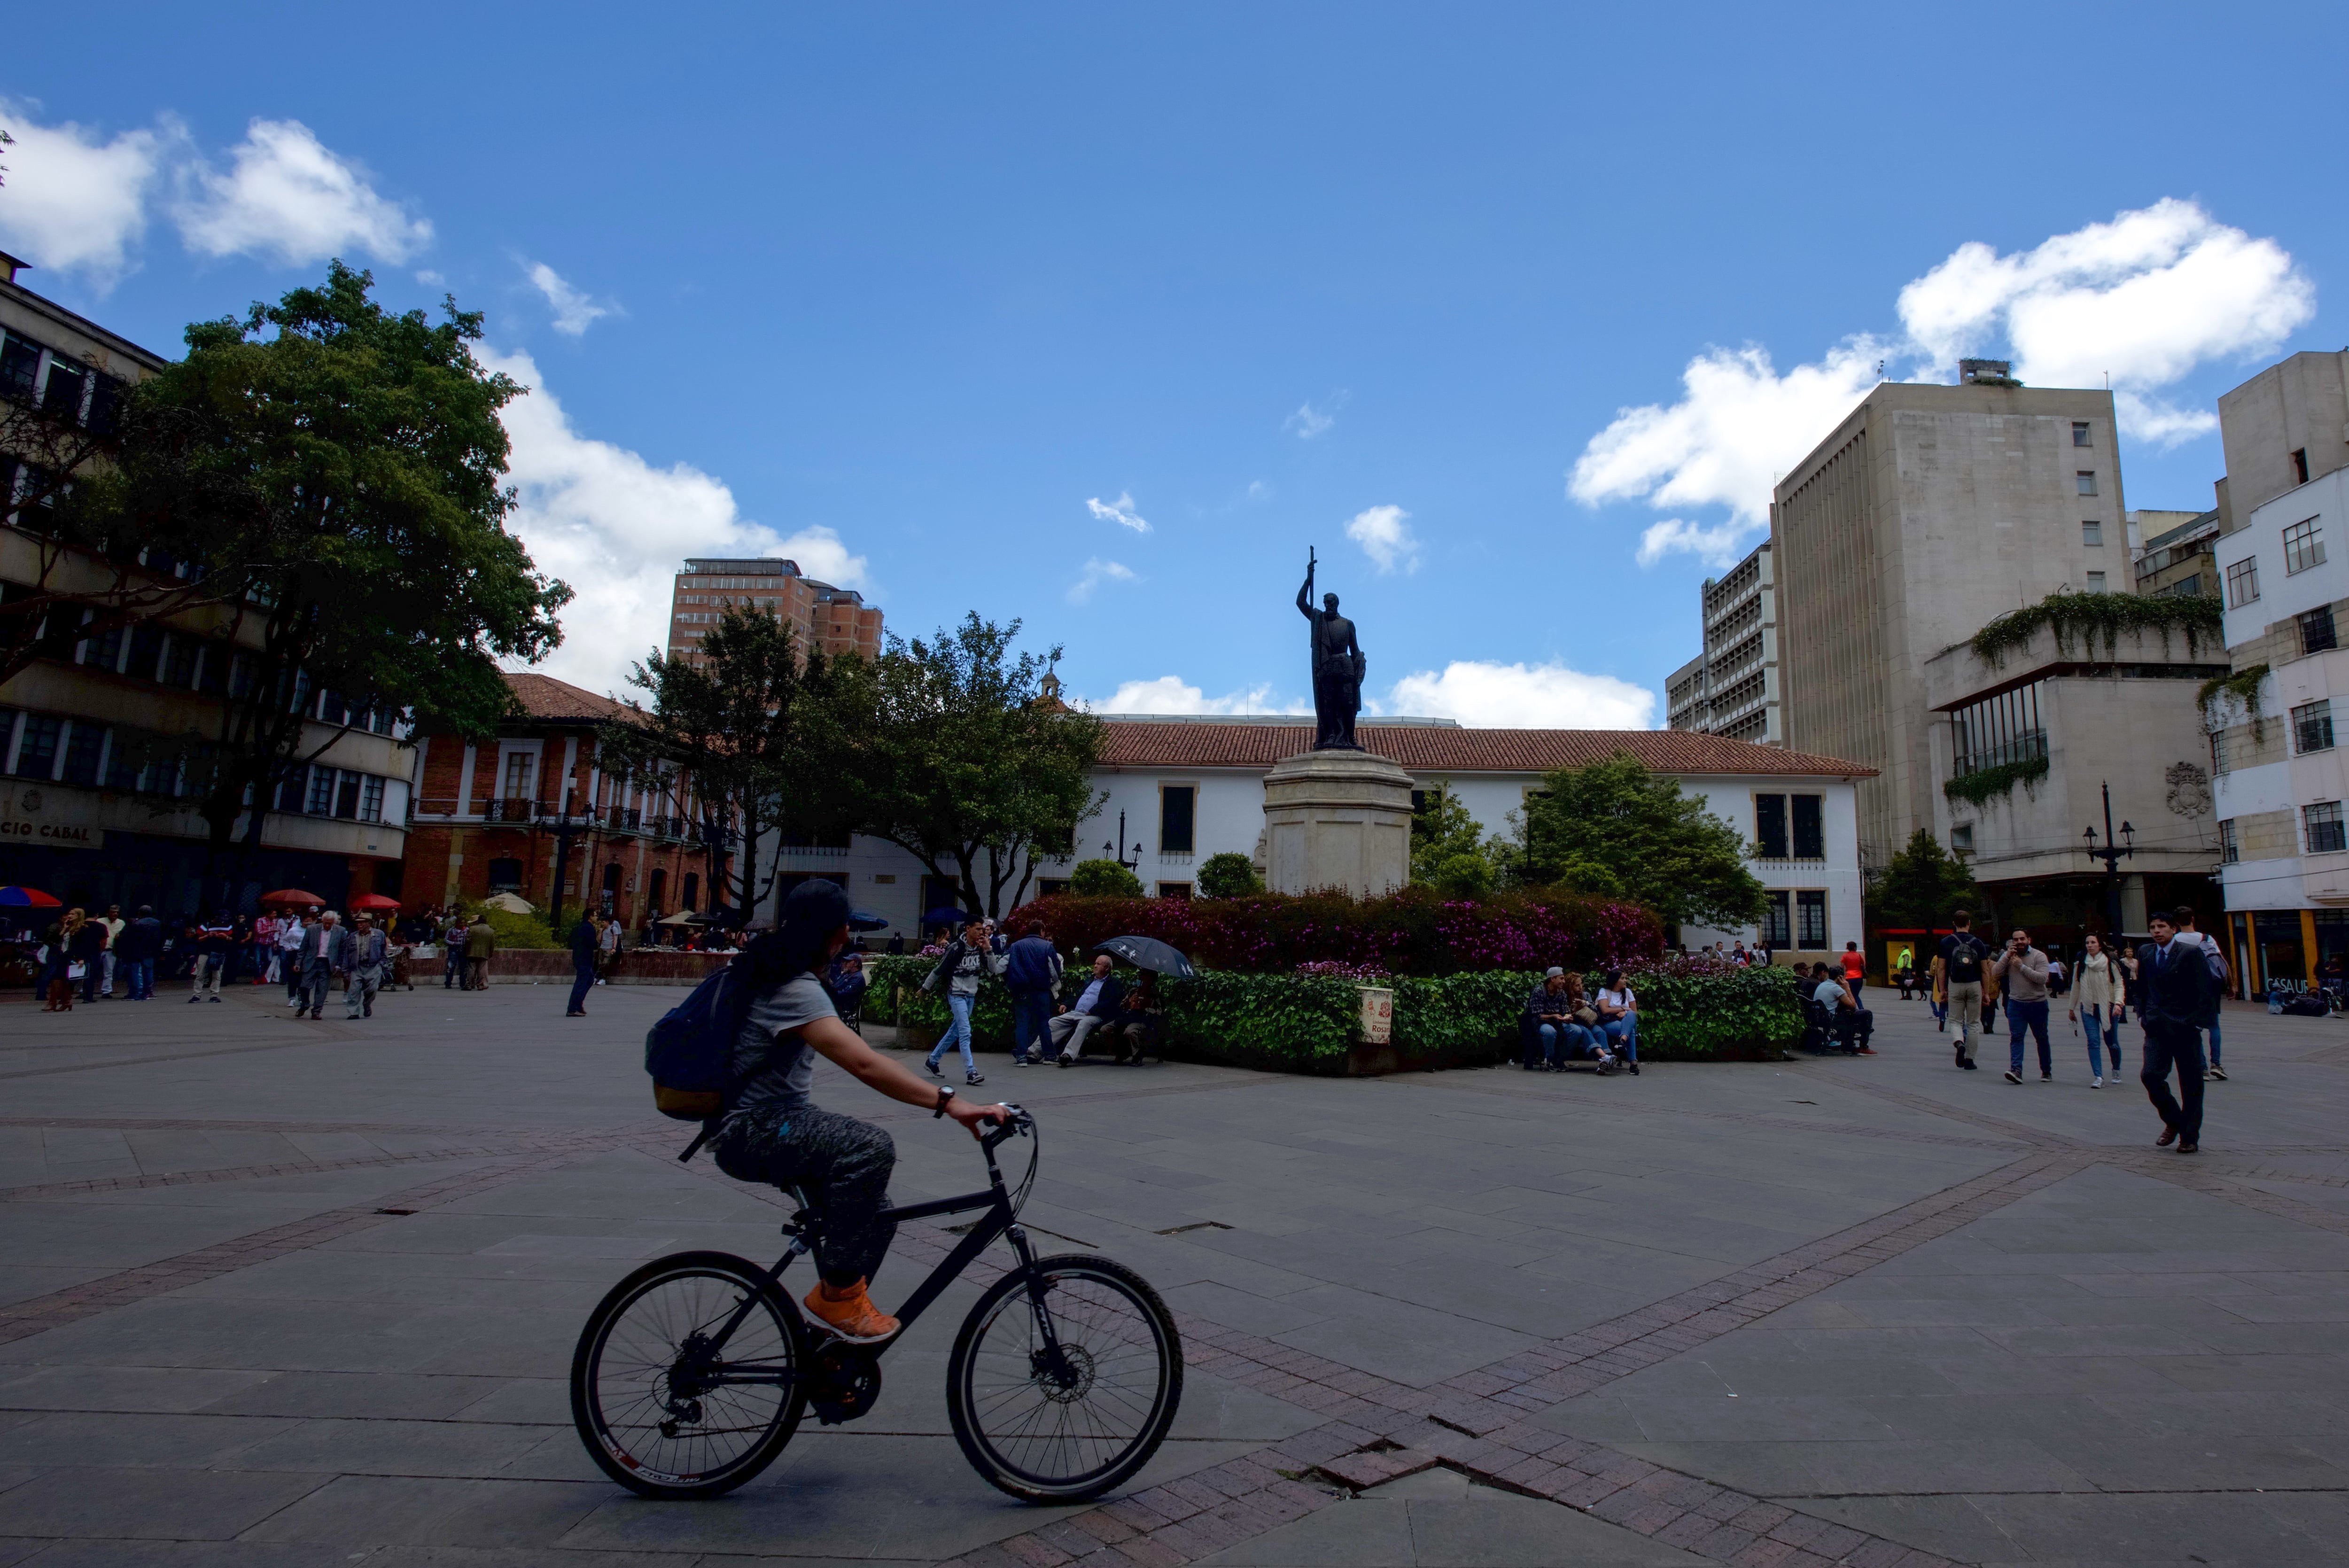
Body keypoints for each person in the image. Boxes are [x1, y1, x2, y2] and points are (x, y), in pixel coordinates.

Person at [711, 878, 1012, 1342]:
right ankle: (838, 1297)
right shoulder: (794, 987)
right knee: (869, 1145)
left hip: (756, 1123)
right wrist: (953, 1105)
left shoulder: (771, 970)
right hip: (758, 1126)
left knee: (875, 1212)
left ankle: (833, 1342)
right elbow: (866, 1063)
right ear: (835, 933)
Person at [2139, 908, 2218, 1153]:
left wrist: (2197, 1022)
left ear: (2173, 929)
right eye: (2153, 927)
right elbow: (2142, 986)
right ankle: (2174, 1122)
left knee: (2191, 1083)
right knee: (2151, 1076)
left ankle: (2189, 1137)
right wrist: (2143, 1014)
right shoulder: (2146, 953)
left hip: (2185, 1027)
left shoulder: (2190, 953)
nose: (2157, 932)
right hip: (2156, 1027)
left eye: (2162, 927)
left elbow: (2206, 989)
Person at [923, 917, 1002, 1086]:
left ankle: (933, 1060)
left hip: (970, 995)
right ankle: (971, 1072)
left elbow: (994, 970)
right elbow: (939, 970)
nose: (982, 932)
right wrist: (925, 988)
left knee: (956, 1031)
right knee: (965, 1032)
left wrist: (989, 950)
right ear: (968, 929)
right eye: (978, 929)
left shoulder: (981, 948)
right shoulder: (955, 948)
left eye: (983, 930)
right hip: (956, 994)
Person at [2173, 907, 2230, 1080]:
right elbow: (2220, 962)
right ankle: (2217, 1064)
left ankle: (2202, 1068)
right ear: (2193, 918)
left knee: (2194, 1028)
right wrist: (2231, 985)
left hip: (2187, 989)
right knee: (2214, 1026)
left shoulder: (2174, 941)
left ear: (2176, 923)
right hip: (2209, 987)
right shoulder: (2207, 939)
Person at [1933, 910, 1992, 1071]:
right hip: (1974, 985)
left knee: (1955, 1021)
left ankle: (1959, 1043)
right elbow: (1985, 970)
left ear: (1954, 924)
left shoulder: (1946, 942)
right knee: (1973, 1024)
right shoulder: (1978, 943)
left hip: (1955, 985)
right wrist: (1986, 993)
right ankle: (1970, 1061)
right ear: (1969, 923)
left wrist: (1942, 990)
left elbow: (1942, 969)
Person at [1994, 928, 2053, 1084]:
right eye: (2016, 940)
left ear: (2029, 940)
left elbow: (2042, 979)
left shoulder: (2039, 956)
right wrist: (2007, 956)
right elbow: (1995, 973)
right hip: (2016, 1003)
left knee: (2041, 1038)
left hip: (2038, 1004)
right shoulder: (2009, 956)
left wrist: (2021, 967)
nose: (2019, 942)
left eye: (2022, 939)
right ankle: (2016, 1071)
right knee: (2016, 1037)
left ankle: (2046, 1071)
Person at [2068, 931, 2126, 1087]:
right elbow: (2076, 986)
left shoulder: (2110, 962)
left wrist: (2119, 1004)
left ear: (2100, 945)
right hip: (2088, 1007)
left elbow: (2119, 985)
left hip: (2109, 1006)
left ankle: (2116, 1070)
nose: (2090, 946)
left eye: (2093, 943)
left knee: (2111, 1042)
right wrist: (2071, 1008)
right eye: (2087, 943)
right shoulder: (2081, 963)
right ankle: (2098, 1077)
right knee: (2093, 1041)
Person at [1003, 921, 1063, 1067]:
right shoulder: (1047, 946)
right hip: (1041, 990)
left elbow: (1002, 966)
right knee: (1044, 1024)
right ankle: (1049, 1055)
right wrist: (1052, 982)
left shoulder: (1016, 946)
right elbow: (1056, 969)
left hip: (1021, 990)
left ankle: (1022, 1057)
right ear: (1041, 931)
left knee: (1022, 1023)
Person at [1050, 954, 1125, 1065]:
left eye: (1098, 964)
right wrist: (1066, 1004)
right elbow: (1078, 996)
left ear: (1107, 968)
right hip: (1077, 1013)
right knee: (1053, 1022)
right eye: (1095, 963)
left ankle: (1068, 1055)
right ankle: (1034, 1052)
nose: (1095, 966)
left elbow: (1110, 1002)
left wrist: (1093, 1010)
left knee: (1083, 1024)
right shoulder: (1090, 981)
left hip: (1095, 1017)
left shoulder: (1114, 983)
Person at [1523, 967, 1583, 1070]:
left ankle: (1560, 1058)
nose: (1564, 982)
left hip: (1558, 1022)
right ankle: (1549, 1059)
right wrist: (1553, 1016)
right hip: (1542, 1022)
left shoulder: (1562, 993)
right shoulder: (1539, 992)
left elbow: (1566, 1012)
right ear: (1552, 979)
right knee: (1550, 1032)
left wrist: (1568, 1018)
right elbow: (1537, 1015)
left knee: (1576, 1031)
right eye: (1561, 979)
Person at [1099, 970, 1166, 1064]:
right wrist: (1128, 1003)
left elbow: (1159, 1011)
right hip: (1127, 1017)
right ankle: (1119, 1052)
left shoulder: (1155, 995)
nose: (1141, 979)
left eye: (1144, 977)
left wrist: (1146, 1008)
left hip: (1142, 1019)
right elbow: (1123, 1004)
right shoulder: (1133, 991)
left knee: (1130, 1031)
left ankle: (1137, 1055)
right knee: (1105, 1029)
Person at [294, 911, 345, 1020]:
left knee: (322, 989)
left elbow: (342, 950)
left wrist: (339, 965)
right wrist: (298, 963)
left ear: (334, 923)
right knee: (304, 986)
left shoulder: (340, 931)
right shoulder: (312, 929)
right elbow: (303, 948)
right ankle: (305, 1005)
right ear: (322, 920)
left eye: (330, 924)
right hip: (311, 962)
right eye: (325, 923)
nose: (327, 926)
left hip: (327, 963)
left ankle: (317, 1011)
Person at [1812, 965, 1875, 1052]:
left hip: (1820, 1018)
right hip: (1831, 1019)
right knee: (1866, 1014)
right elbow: (1853, 1005)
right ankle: (1863, 1046)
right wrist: (1847, 988)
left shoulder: (1823, 985)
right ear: (1840, 977)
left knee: (1848, 1012)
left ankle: (1848, 1044)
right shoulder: (1836, 988)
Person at [1594, 968, 1642, 1074]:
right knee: (1631, 1031)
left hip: (1626, 1021)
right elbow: (1605, 1010)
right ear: (1615, 980)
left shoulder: (1628, 992)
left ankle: (1622, 1041)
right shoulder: (1604, 992)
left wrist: (1625, 1013)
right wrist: (1623, 1009)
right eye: (1623, 978)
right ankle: (1633, 1064)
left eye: (1626, 978)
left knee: (1630, 1015)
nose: (1626, 981)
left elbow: (1634, 1012)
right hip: (1610, 1022)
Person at [41, 908, 88, 1011]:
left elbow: (83, 945)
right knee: (62, 980)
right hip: (62, 955)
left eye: (73, 914)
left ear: (79, 916)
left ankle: (53, 1002)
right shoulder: (67, 927)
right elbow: (58, 940)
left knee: (59, 978)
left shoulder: (83, 929)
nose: (70, 916)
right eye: (69, 914)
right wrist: (65, 928)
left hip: (73, 957)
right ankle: (67, 1001)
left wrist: (81, 958)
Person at [343, 913, 388, 1019]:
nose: (360, 925)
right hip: (357, 967)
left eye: (362, 923)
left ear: (369, 923)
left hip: (373, 966)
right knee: (354, 991)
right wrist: (345, 970)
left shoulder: (378, 934)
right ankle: (353, 1012)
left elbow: (384, 950)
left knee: (372, 989)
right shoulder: (353, 936)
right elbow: (346, 953)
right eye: (358, 923)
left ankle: (367, 1004)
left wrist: (382, 964)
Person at [116, 905, 163, 1001]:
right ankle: (147, 992)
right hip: (150, 950)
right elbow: (160, 937)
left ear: (140, 913)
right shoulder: (157, 923)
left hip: (136, 950)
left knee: (135, 972)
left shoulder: (136, 924)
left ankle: (137, 993)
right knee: (148, 971)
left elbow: (130, 938)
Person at [189, 914, 234, 1003]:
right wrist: (208, 936)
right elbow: (198, 939)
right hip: (205, 952)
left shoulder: (227, 926)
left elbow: (233, 939)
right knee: (200, 974)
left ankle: (214, 995)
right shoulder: (205, 926)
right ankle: (197, 995)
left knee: (217, 975)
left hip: (219, 952)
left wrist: (226, 937)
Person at [567, 913, 600, 1017]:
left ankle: (578, 1004)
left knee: (589, 980)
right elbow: (594, 945)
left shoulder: (578, 927)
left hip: (578, 958)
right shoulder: (590, 929)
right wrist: (599, 933)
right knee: (581, 983)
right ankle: (573, 1008)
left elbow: (570, 941)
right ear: (590, 917)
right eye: (595, 915)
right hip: (585, 959)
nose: (597, 917)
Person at [279, 911, 309, 1000]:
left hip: (306, 955)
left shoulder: (312, 931)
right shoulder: (294, 931)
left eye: (310, 921)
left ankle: (301, 994)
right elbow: (286, 940)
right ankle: (292, 997)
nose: (308, 923)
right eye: (306, 921)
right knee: (293, 975)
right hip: (295, 953)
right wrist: (289, 949)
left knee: (304, 977)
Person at [97, 904, 125, 998]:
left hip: (111, 950)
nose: (115, 914)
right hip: (99, 949)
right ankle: (84, 990)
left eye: (117, 912)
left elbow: (123, 935)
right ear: (108, 913)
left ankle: (106, 991)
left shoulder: (121, 923)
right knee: (92, 971)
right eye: (113, 912)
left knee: (109, 972)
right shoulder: (100, 921)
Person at [465, 913, 497, 990]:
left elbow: (468, 941)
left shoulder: (472, 929)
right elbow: (492, 944)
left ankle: (469, 984)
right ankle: (481, 985)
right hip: (484, 952)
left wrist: (467, 951)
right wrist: (491, 953)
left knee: (471, 968)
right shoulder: (491, 931)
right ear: (486, 921)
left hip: (472, 952)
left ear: (478, 921)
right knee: (482, 969)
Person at [443, 911, 469, 989]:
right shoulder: (452, 930)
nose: (463, 925)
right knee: (451, 967)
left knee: (463, 968)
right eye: (461, 923)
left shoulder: (467, 930)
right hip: (454, 950)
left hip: (464, 950)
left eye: (464, 923)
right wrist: (454, 943)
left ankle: (463, 983)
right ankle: (448, 983)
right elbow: (446, 940)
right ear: (457, 923)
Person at [597, 911, 622, 982]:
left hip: (609, 948)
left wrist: (614, 948)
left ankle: (602, 978)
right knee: (600, 963)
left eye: (604, 922)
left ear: (607, 922)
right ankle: (599, 977)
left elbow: (616, 939)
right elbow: (599, 940)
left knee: (605, 963)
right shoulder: (603, 930)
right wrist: (600, 932)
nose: (603, 923)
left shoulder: (614, 929)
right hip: (602, 947)